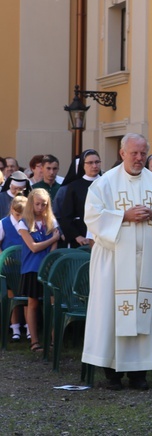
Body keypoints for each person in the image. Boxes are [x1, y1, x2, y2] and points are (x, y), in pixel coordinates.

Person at [82, 133, 152, 391]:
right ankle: (112, 373)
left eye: (143, 153)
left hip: (144, 262)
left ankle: (139, 374)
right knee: (112, 314)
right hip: (112, 263)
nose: (139, 158)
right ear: (122, 153)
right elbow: (92, 217)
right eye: (134, 153)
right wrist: (123, 215)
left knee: (142, 313)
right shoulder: (104, 183)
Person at [18, 188, 60, 352]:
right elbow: (33, 247)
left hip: (48, 268)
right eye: (37, 204)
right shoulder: (24, 223)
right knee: (33, 303)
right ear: (31, 204)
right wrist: (53, 238)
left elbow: (53, 249)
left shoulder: (51, 221)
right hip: (32, 268)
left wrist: (49, 260)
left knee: (52, 302)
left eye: (44, 204)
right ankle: (34, 342)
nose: (41, 207)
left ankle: (53, 340)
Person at [59, 149, 101, 248]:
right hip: (81, 239)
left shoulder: (107, 183)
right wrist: (77, 236)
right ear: (83, 165)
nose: (94, 166)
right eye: (90, 163)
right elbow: (66, 215)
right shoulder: (74, 186)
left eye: (97, 162)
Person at [1, 195, 29, 341]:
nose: (19, 217)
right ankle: (15, 328)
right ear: (11, 209)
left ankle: (29, 328)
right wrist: (4, 258)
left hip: (25, 266)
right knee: (13, 298)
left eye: (22, 214)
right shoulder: (3, 224)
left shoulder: (29, 223)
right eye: (17, 214)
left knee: (28, 297)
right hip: (10, 269)